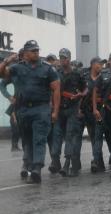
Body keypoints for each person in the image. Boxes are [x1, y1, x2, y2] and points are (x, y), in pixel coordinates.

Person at [0, 40, 60, 183]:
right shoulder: (17, 68)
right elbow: (2, 74)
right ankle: (28, 164)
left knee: (39, 139)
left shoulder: (48, 69)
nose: (36, 53)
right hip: (23, 109)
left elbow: (56, 89)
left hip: (41, 109)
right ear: (25, 54)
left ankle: (37, 169)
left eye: (37, 50)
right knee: (27, 140)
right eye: (33, 51)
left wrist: (55, 111)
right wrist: (7, 60)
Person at [50, 48, 87, 177]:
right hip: (59, 108)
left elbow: (86, 88)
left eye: (64, 58)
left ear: (69, 59)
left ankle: (67, 164)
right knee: (57, 135)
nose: (62, 60)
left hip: (72, 108)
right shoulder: (56, 73)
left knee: (70, 136)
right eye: (61, 57)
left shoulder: (77, 74)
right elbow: (51, 89)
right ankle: (55, 160)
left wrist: (80, 95)